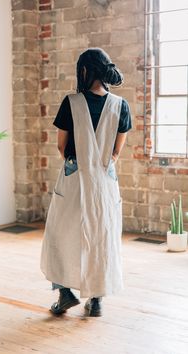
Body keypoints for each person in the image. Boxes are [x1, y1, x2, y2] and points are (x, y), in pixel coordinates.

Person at [40, 48, 132, 317]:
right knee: (102, 236)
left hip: (74, 177)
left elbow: (62, 146)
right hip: (105, 181)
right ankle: (97, 299)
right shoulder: (120, 105)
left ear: (83, 71)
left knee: (60, 233)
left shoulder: (71, 102)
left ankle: (65, 293)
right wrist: (103, 161)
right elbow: (117, 150)